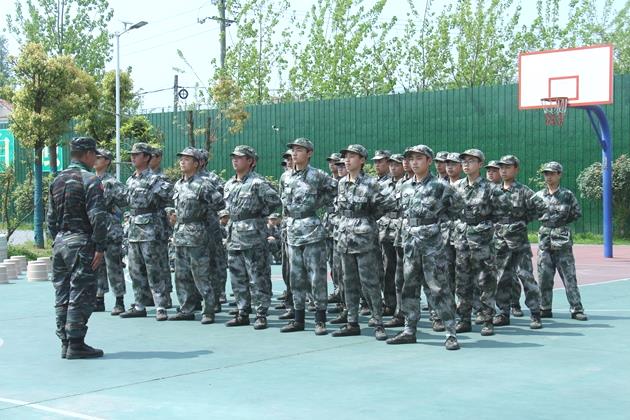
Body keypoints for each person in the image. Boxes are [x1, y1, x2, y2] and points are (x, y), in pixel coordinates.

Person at [385, 145, 460, 350]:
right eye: (411, 159)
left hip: (432, 246)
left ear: (429, 161)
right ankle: (409, 330)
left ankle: (450, 333)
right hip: (410, 244)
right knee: (409, 287)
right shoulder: (404, 186)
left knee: (439, 288)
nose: (414, 162)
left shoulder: (441, 186)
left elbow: (457, 208)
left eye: (419, 158)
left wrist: (438, 228)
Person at [47, 137, 107, 359]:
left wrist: (57, 239)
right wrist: (100, 246)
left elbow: (50, 218)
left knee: (62, 292)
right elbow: (98, 216)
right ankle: (76, 343)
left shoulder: (57, 180)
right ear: (88, 154)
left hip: (60, 242)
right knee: (81, 293)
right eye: (94, 155)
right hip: (81, 242)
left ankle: (65, 342)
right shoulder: (90, 180)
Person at [331, 144, 395, 341]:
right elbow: (339, 209)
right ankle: (352, 321)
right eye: (346, 156)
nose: (347, 160)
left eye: (352, 156)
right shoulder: (342, 183)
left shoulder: (371, 183)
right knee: (348, 281)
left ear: (362, 161)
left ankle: (378, 321)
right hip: (344, 238)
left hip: (365, 238)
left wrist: (366, 220)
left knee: (370, 282)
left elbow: (384, 205)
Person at [280, 138, 338, 335]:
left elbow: (334, 189)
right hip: (293, 229)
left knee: (317, 276)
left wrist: (317, 203)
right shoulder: (285, 177)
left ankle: (320, 319)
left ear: (309, 153)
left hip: (311, 228)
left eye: (299, 150)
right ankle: (298, 319)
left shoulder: (317, 175)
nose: (295, 153)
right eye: (293, 150)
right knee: (296, 277)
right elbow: (283, 201)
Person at [224, 145, 282, 329]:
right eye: (234, 157)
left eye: (239, 157)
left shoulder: (258, 182)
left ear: (250, 161)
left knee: (258, 276)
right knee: (237, 276)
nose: (235, 160)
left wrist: (258, 214)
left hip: (253, 235)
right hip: (234, 234)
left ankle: (261, 313)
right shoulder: (229, 184)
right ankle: (242, 312)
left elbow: (275, 201)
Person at [168, 147, 225, 324]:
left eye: (187, 159)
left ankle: (208, 309)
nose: (182, 162)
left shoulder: (203, 184)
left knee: (201, 274)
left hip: (197, 233)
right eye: (181, 159)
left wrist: (203, 214)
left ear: (196, 163)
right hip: (180, 232)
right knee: (181, 274)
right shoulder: (178, 184)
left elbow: (219, 203)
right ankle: (186, 308)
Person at [451, 149, 504, 336]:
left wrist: (487, 229)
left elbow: (500, 213)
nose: (466, 164)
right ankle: (464, 319)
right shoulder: (456, 186)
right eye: (464, 161)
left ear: (480, 164)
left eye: (471, 161)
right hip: (462, 239)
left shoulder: (490, 188)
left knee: (486, 281)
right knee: (462, 281)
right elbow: (451, 210)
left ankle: (487, 320)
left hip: (483, 241)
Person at [119, 142, 173, 321]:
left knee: (154, 269)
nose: (133, 157)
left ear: (147, 157)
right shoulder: (131, 180)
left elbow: (166, 198)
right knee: (135, 269)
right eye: (132, 154)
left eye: (137, 154)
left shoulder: (156, 179)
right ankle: (139, 304)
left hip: (150, 229)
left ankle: (160, 306)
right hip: (134, 229)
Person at [531, 161, 588, 321]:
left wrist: (560, 224)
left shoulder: (567, 195)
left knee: (569, 277)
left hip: (562, 242)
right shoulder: (538, 196)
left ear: (559, 175)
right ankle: (545, 307)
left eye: (552, 173)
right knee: (544, 276)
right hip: (544, 241)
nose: (548, 176)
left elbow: (576, 213)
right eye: (546, 173)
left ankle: (576, 309)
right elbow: (531, 212)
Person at [492, 155, 542, 329]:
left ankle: (535, 313)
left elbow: (539, 208)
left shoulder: (524, 191)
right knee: (501, 278)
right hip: (500, 240)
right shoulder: (494, 191)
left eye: (508, 167)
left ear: (516, 169)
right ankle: (502, 313)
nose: (503, 170)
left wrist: (522, 221)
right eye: (501, 167)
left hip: (519, 241)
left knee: (526, 276)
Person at [93, 148, 128, 316]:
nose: (95, 159)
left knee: (113, 264)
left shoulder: (112, 182)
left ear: (107, 161)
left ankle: (119, 300)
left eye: (99, 157)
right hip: (94, 228)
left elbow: (125, 200)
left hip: (110, 228)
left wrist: (113, 209)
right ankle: (98, 298)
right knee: (96, 264)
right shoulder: (90, 179)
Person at [148, 147, 174, 308]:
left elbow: (169, 199)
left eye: (152, 156)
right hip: (142, 228)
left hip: (158, 225)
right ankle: (148, 296)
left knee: (161, 262)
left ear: (159, 158)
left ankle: (166, 295)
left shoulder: (162, 178)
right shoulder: (139, 177)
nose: (149, 159)